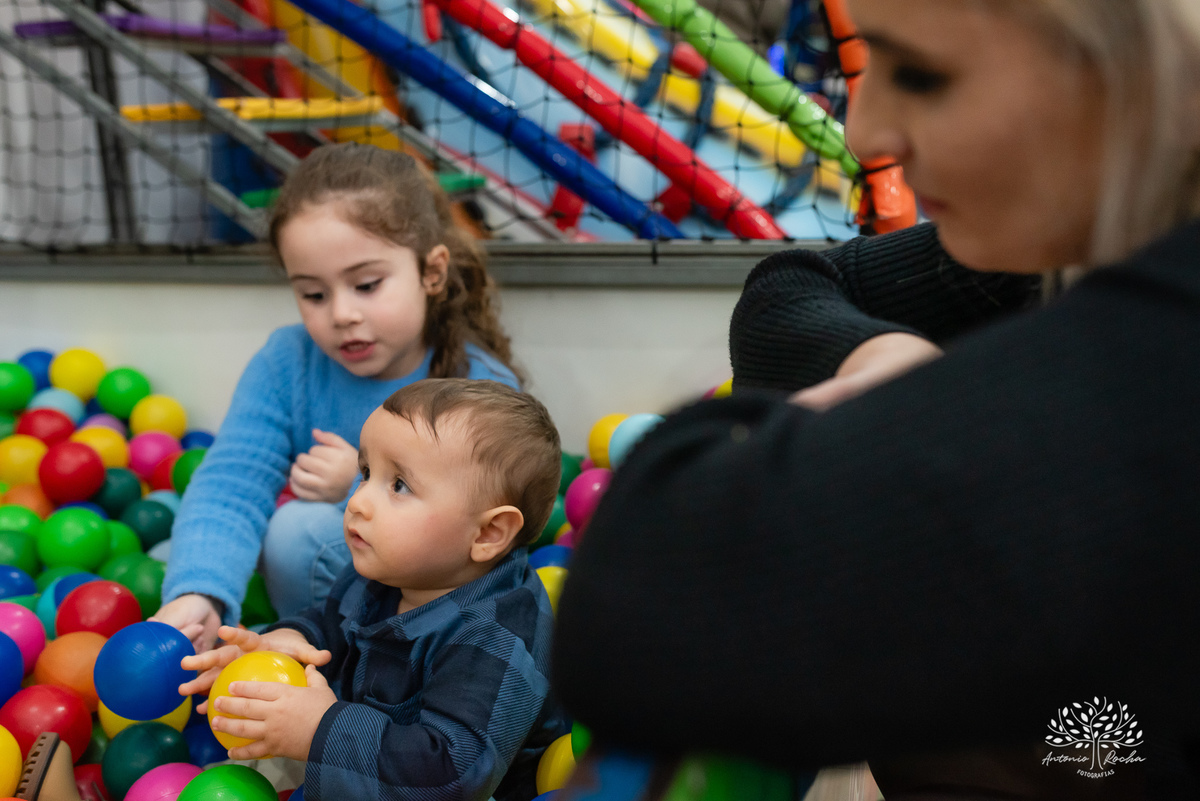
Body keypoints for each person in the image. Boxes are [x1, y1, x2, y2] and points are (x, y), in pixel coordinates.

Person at [552, 0, 1200, 798]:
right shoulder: (1050, 250)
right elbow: (792, 290)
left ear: (1145, 80)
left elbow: (637, 601)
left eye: (924, 76)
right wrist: (883, 353)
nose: (864, 136)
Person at [151, 143, 522, 652]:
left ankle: (348, 674)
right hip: (325, 603)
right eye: (314, 294)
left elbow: (482, 543)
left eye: (367, 285)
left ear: (431, 273)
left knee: (294, 532)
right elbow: (233, 479)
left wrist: (359, 484)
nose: (342, 314)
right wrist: (200, 592)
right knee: (177, 554)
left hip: (439, 627)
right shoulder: (289, 361)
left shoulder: (475, 387)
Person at [179, 378, 565, 801]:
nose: (358, 500)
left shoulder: (499, 633)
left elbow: (452, 775)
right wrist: (289, 642)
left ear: (489, 532)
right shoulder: (392, 565)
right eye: (365, 473)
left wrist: (317, 729)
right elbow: (331, 624)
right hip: (361, 753)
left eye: (399, 484)